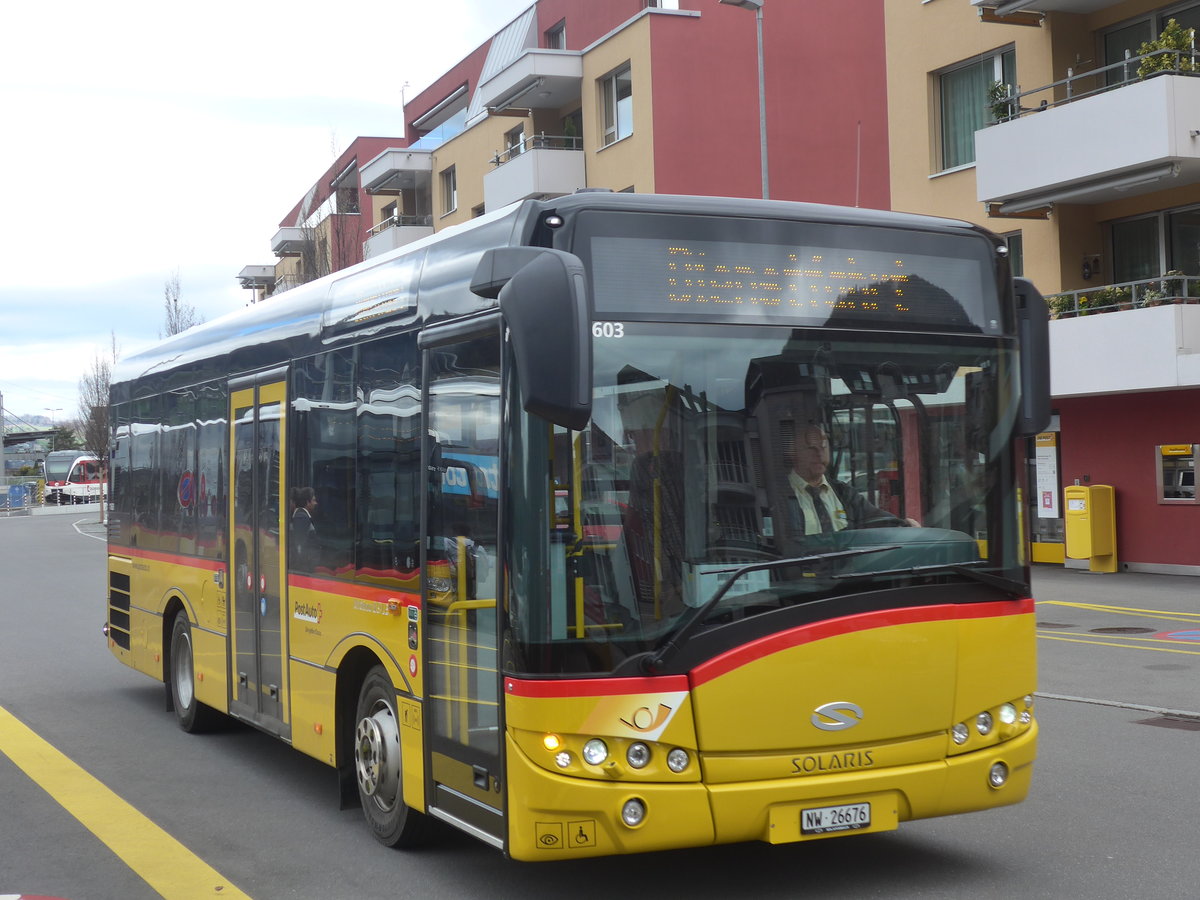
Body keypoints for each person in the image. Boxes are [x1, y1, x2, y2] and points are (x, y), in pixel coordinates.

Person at [785, 424, 916, 535]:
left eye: (823, 446)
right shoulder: (781, 496)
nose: (819, 454)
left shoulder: (844, 493)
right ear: (792, 452)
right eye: (811, 448)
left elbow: (877, 518)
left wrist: (904, 526)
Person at [290, 486, 319, 571]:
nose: (315, 503)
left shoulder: (302, 516)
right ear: (307, 502)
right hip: (305, 568)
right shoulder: (301, 518)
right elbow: (299, 546)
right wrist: (306, 568)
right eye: (313, 500)